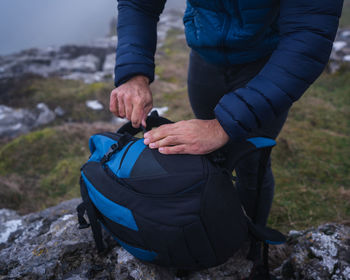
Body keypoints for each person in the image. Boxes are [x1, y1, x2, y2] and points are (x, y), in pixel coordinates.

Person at [109, 0, 343, 270]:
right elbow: (139, 4)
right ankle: (213, 229)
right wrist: (133, 74)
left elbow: (309, 34)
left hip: (266, 64)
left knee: (251, 166)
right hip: (205, 62)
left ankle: (252, 244)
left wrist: (221, 127)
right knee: (210, 159)